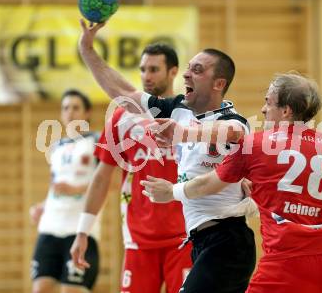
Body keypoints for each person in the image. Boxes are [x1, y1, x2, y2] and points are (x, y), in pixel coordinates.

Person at [72, 19, 256, 293]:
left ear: (219, 83)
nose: (187, 75)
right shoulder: (175, 109)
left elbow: (232, 133)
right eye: (188, 68)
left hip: (223, 237)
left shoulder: (234, 120)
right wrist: (87, 50)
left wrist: (183, 135)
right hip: (198, 238)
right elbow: (123, 92)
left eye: (197, 70)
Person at [143, 73, 322, 293]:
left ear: (286, 110)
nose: (263, 109)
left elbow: (207, 185)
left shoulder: (256, 145)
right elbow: (294, 190)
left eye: (268, 102)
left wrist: (172, 191)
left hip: (284, 266)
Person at [70, 44, 192, 293]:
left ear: (173, 72)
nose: (146, 75)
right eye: (143, 69)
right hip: (138, 240)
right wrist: (82, 231)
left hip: (185, 237)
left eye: (154, 69)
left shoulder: (190, 116)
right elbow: (102, 177)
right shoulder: (120, 118)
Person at [29, 89, 100, 293]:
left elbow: (109, 184)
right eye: (65, 108)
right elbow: (56, 189)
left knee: (72, 291)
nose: (70, 112)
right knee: (40, 288)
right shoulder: (56, 148)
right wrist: (43, 206)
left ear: (87, 113)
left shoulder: (97, 142)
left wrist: (76, 189)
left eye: (75, 107)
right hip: (50, 228)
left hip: (79, 231)